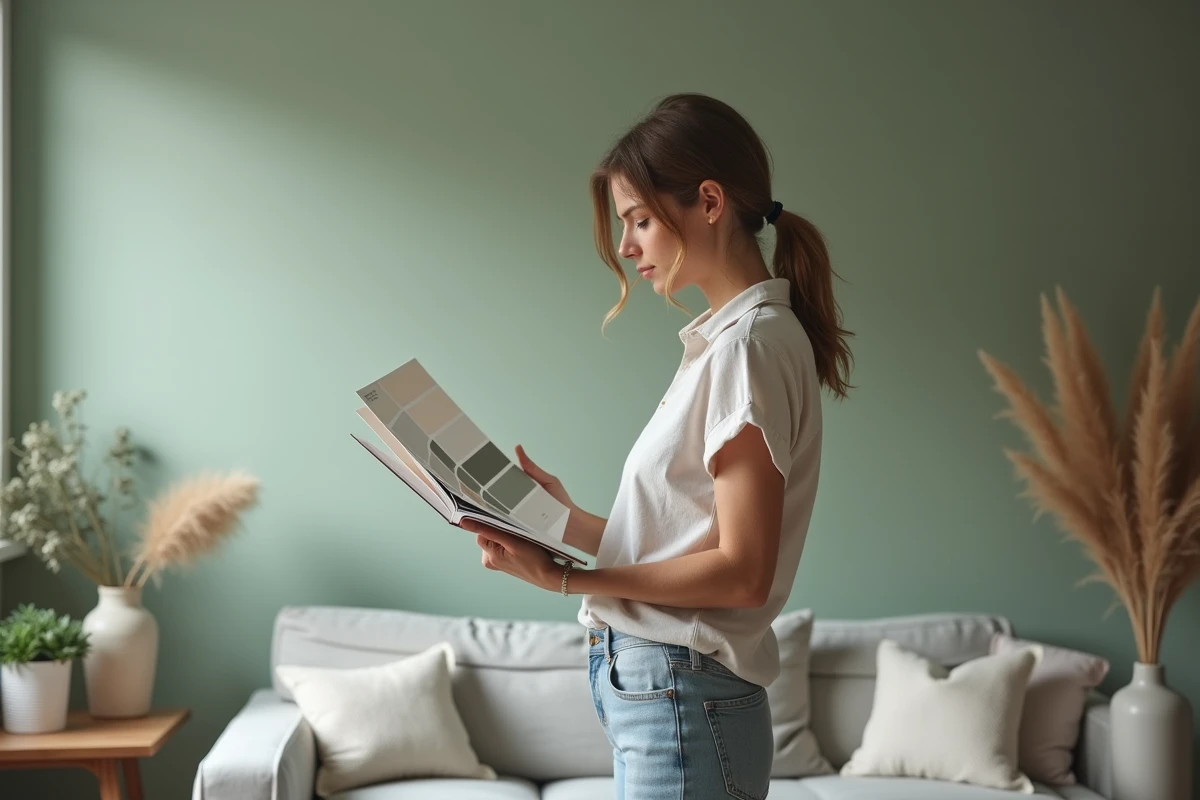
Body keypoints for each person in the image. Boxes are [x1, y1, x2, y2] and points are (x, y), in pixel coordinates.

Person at [462, 92, 854, 800]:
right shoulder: (731, 345)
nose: (624, 245)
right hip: (671, 695)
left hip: (682, 693)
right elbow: (688, 538)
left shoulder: (748, 348)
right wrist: (568, 521)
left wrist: (566, 578)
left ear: (709, 201)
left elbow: (740, 574)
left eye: (640, 219)